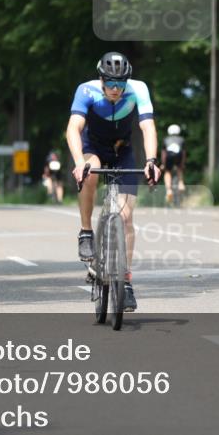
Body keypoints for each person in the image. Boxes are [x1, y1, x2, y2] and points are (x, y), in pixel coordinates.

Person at [66, 52, 159, 312]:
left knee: (127, 217)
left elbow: (148, 127)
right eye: (110, 83)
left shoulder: (138, 89)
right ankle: (86, 231)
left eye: (121, 83)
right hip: (93, 149)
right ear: (101, 79)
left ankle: (126, 281)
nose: (116, 89)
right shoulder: (86, 91)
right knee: (89, 172)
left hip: (123, 151)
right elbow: (73, 128)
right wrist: (78, 161)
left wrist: (151, 160)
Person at [161, 124, 186, 205]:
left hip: (168, 156)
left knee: (167, 171)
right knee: (179, 169)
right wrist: (182, 164)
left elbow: (164, 153)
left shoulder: (166, 139)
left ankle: (168, 190)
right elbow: (183, 153)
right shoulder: (181, 139)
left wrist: (163, 164)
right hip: (178, 156)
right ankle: (181, 183)